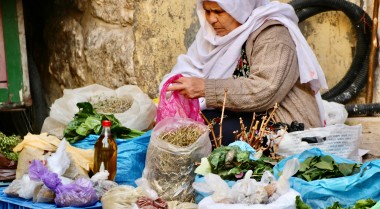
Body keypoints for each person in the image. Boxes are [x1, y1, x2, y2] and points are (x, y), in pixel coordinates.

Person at [159, 0, 328, 145]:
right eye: (207, 11)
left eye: (218, 11)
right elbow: (190, 67)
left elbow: (264, 90)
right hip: (240, 113)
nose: (211, 19)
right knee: (181, 126)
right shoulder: (212, 37)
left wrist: (205, 88)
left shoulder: (273, 35)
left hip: (279, 122)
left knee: (207, 135)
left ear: (239, 8)